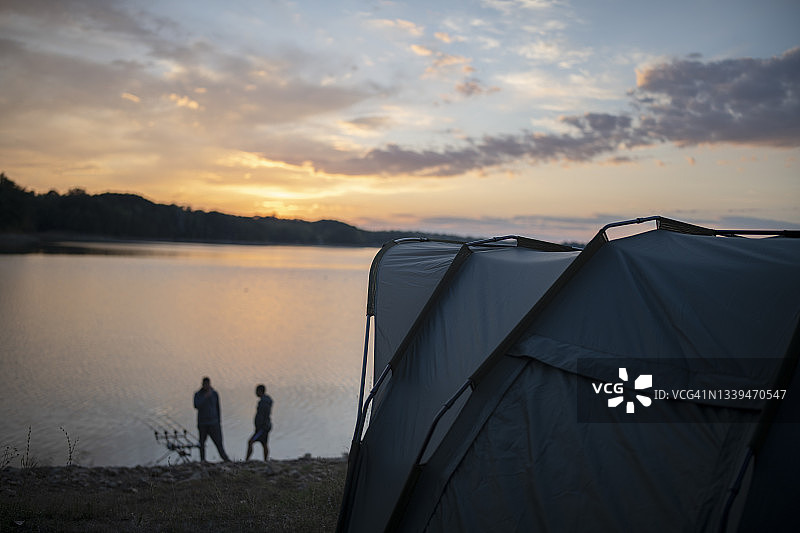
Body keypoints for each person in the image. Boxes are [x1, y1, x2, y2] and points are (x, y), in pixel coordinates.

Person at [193, 376, 230, 462]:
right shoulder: (197, 394)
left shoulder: (215, 394)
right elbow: (196, 405)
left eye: (208, 384)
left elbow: (218, 408)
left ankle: (226, 459)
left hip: (214, 423)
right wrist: (205, 397)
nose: (206, 386)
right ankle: (202, 460)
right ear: (202, 384)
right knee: (202, 443)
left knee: (219, 443)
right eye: (205, 384)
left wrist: (219, 421)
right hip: (202, 424)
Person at [246, 383, 273, 461]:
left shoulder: (263, 403)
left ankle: (246, 460)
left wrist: (260, 426)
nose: (255, 393)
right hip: (264, 427)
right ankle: (265, 460)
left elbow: (263, 415)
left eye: (256, 391)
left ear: (260, 391)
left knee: (250, 442)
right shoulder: (265, 401)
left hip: (262, 428)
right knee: (264, 444)